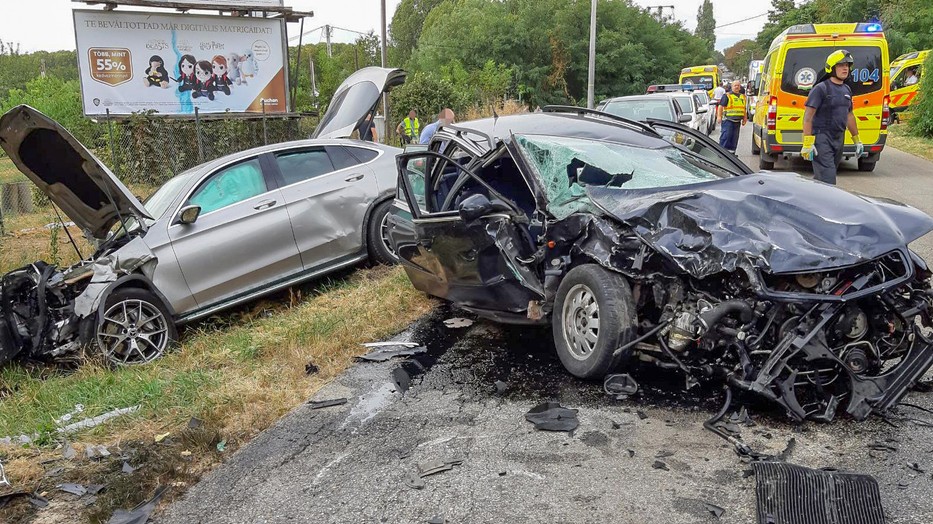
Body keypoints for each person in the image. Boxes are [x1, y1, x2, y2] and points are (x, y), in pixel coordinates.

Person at [801, 50, 863, 185]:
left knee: (825, 176)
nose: (845, 68)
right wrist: (807, 143)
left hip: (839, 138)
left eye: (847, 65)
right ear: (832, 68)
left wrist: (857, 140)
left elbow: (849, 115)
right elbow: (807, 117)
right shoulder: (821, 89)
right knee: (828, 178)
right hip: (822, 138)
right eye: (841, 65)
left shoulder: (847, 90)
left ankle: (812, 201)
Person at [717, 80, 747, 154]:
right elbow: (720, 107)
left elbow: (744, 108)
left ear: (740, 87)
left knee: (734, 140)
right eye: (735, 85)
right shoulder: (727, 96)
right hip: (728, 121)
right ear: (732, 87)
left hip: (737, 122)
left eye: (738, 85)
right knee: (726, 138)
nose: (737, 87)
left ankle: (732, 155)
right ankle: (722, 155)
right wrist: (719, 116)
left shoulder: (742, 96)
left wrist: (745, 118)